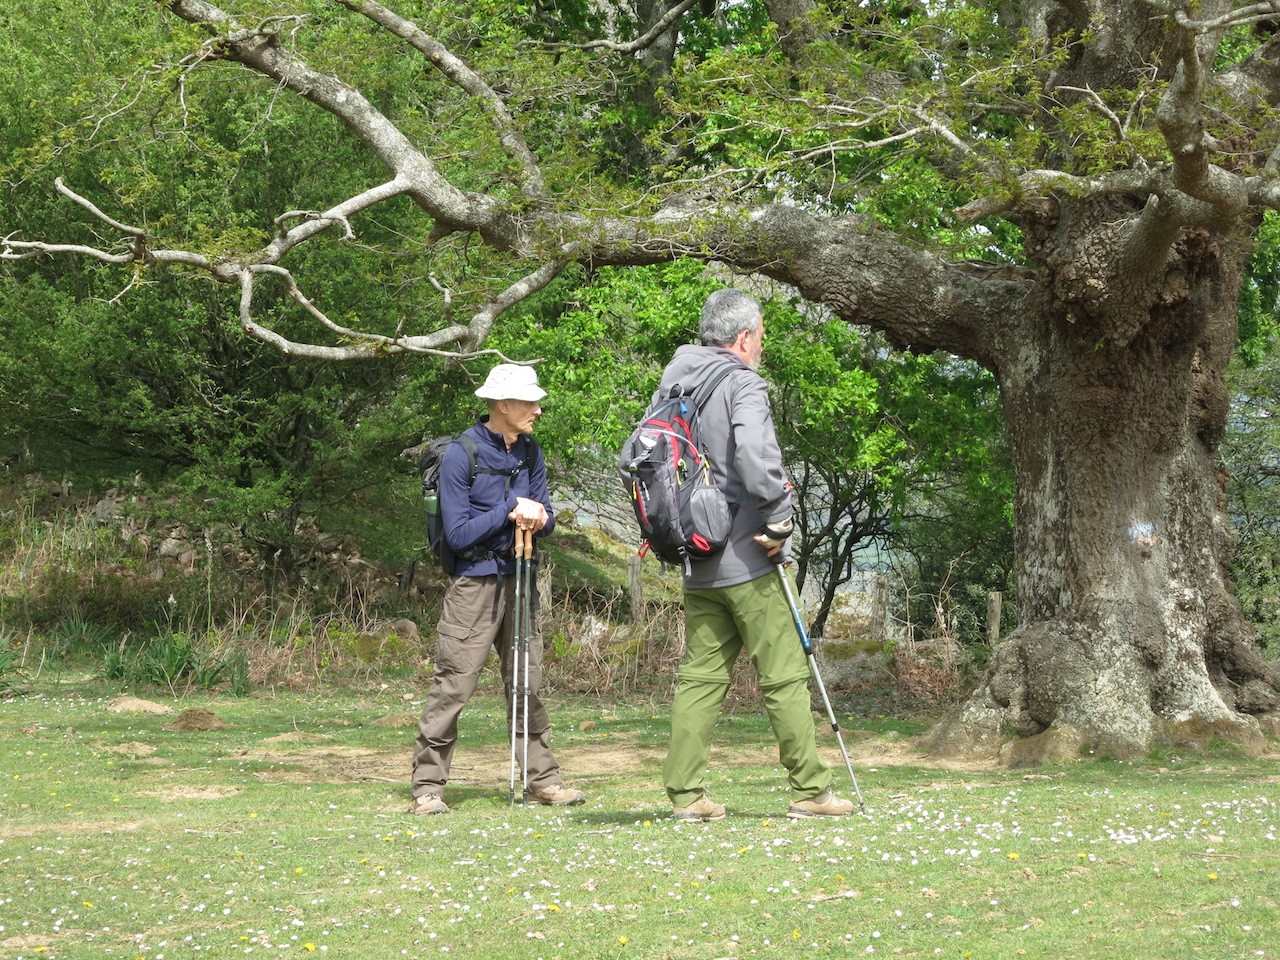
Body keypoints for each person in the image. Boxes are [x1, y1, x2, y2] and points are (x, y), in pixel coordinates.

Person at [658, 288, 854, 821]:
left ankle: (686, 795)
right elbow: (754, 456)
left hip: (696, 553)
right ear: (744, 337)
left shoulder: (675, 382)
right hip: (748, 551)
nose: (761, 345)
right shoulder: (741, 383)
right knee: (785, 674)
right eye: (762, 336)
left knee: (700, 677)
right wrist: (779, 519)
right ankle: (812, 791)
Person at [410, 363, 584, 815]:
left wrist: (539, 518)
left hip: (522, 578)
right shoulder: (459, 455)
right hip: (474, 584)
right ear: (502, 406)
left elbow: (544, 517)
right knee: (454, 686)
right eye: (530, 402)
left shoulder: (530, 451)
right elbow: (459, 534)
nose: (538, 410)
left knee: (528, 683)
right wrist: (511, 508)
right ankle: (427, 788)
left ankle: (542, 780)